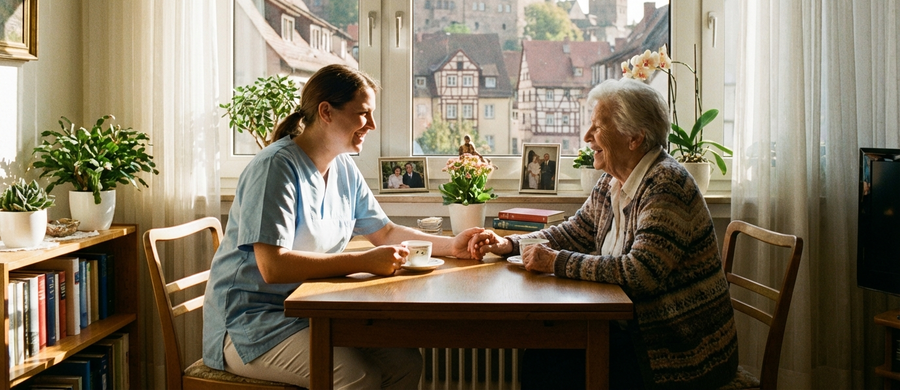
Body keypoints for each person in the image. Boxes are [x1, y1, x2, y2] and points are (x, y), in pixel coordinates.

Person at [203, 64, 489, 390]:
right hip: (251, 324)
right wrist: (363, 261)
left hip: (310, 313)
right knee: (356, 377)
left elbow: (384, 232)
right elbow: (272, 266)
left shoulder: (343, 167)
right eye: (363, 114)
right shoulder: (275, 168)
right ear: (326, 111)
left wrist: (452, 245)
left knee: (405, 363)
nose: (372, 125)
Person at [473, 78, 738, 390]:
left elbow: (640, 273)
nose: (587, 137)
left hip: (677, 351)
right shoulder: (612, 180)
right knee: (544, 356)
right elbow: (575, 232)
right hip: (635, 333)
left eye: (597, 127)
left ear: (634, 137)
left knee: (549, 367)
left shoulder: (666, 186)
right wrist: (510, 244)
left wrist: (554, 262)